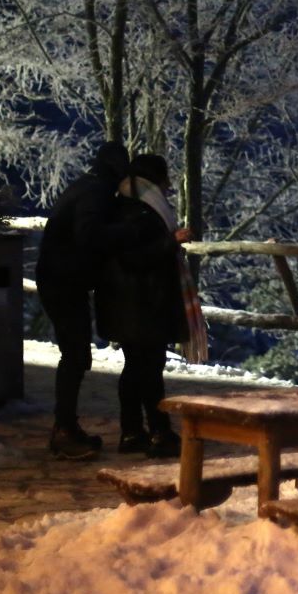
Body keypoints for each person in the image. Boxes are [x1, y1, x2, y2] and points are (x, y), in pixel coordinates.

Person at [35, 141, 137, 460]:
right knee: (75, 355)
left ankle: (66, 427)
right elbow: (89, 235)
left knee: (75, 354)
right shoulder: (97, 193)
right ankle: (64, 431)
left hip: (60, 278)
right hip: (63, 281)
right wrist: (127, 231)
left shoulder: (88, 186)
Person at [94, 154, 195, 459]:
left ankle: (133, 430)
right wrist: (171, 241)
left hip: (125, 304)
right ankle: (158, 432)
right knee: (149, 369)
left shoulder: (120, 206)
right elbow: (135, 257)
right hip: (143, 304)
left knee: (136, 368)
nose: (167, 187)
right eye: (164, 180)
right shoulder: (142, 212)